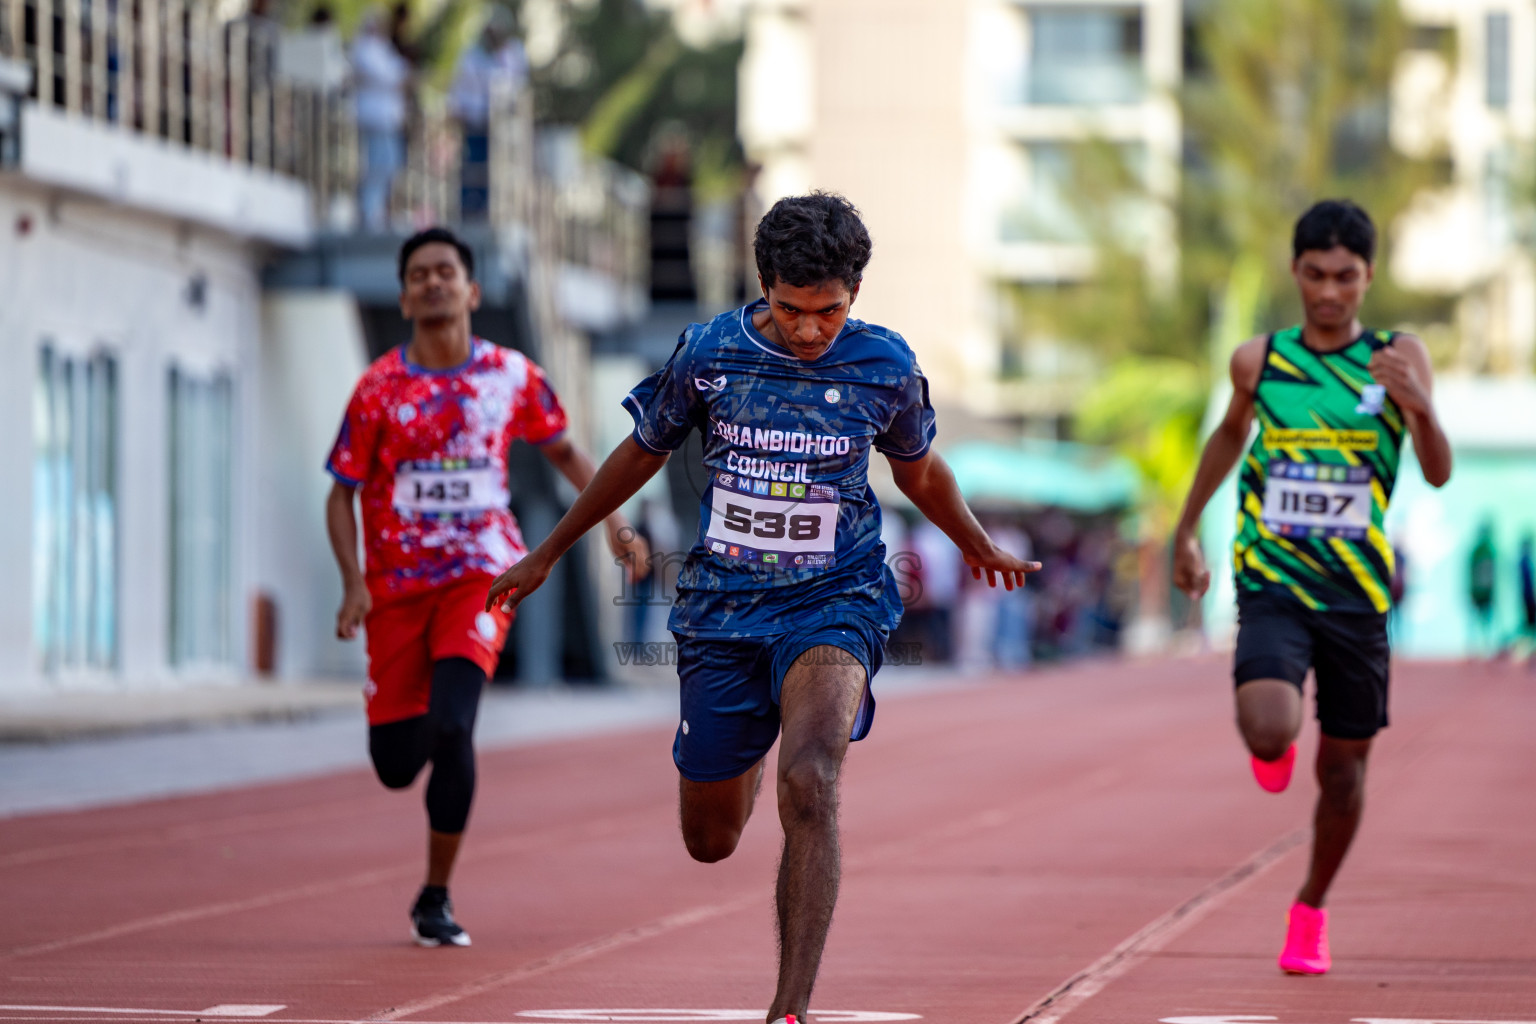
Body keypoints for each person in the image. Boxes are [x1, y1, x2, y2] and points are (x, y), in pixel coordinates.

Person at [485, 193, 1041, 1023]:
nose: (811, 332)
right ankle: (742, 746)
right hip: (722, 610)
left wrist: (973, 543)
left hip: (836, 601)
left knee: (812, 782)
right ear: (761, 285)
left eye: (829, 312)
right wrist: (550, 549)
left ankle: (790, 1008)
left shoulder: (883, 366)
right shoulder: (710, 352)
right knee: (709, 841)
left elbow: (919, 472)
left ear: (855, 294)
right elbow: (641, 451)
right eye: (790, 311)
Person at [325, 227, 645, 948]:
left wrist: (615, 526)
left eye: (446, 272)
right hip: (396, 589)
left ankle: (435, 896)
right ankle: (415, 744)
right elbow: (339, 493)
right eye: (420, 275)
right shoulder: (378, 388)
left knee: (453, 725)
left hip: (481, 575)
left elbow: (564, 449)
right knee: (395, 765)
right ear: (405, 297)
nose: (433, 283)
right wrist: (353, 584)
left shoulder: (512, 376)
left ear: (471, 291)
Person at [1172, 199, 1452, 976]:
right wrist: (1186, 529)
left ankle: (1311, 907)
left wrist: (1418, 403)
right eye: (1316, 275)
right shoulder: (1260, 360)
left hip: (1357, 594)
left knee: (1345, 770)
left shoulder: (1401, 355)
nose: (1330, 293)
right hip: (1272, 578)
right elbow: (1229, 435)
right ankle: (1275, 738)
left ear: (1368, 277)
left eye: (1346, 277)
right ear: (1295, 271)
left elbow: (1435, 470)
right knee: (1268, 727)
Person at [448, 12, 527, 220]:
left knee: (497, 170)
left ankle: (490, 211)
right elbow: (461, 88)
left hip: (499, 124)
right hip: (475, 121)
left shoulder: (510, 55)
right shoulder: (471, 55)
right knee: (473, 165)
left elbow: (516, 86)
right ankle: (469, 209)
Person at [350, 10, 409, 231]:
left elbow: (401, 73)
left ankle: (377, 211)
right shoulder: (364, 48)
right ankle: (368, 211)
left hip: (388, 120)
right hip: (374, 119)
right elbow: (388, 76)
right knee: (376, 166)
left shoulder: (383, 49)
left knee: (389, 165)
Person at [1468, 520, 1497, 657]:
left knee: (1481, 620)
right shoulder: (1486, 550)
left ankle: (1481, 647)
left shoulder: (1482, 550)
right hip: (1483, 591)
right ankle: (1480, 647)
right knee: (1481, 620)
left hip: (1482, 591)